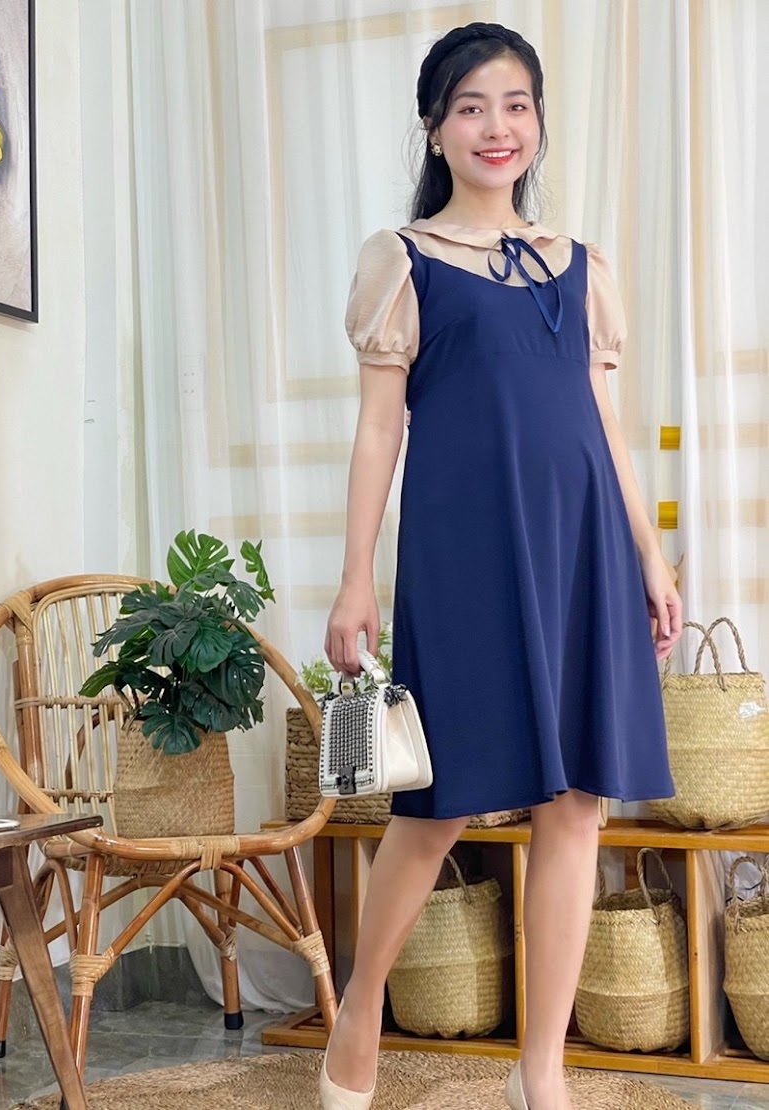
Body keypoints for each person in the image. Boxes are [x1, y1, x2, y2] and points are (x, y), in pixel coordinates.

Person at [321, 21, 682, 1110]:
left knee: (576, 806)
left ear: (537, 122)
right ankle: (359, 1010)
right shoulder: (402, 261)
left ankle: (542, 1071)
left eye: (515, 104)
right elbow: (378, 430)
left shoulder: (582, 266)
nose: (497, 126)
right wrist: (354, 578)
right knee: (437, 805)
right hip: (465, 550)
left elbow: (604, 424)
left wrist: (650, 557)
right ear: (435, 127)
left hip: (581, 548)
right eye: (472, 105)